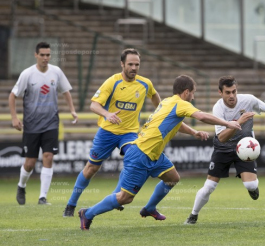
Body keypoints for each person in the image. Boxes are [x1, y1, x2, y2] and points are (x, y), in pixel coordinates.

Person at [77, 75, 242, 230]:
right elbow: (202, 116)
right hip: (141, 153)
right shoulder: (182, 103)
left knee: (172, 178)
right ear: (186, 92)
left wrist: (194, 133)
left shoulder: (168, 102)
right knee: (125, 198)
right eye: (193, 93)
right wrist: (228, 124)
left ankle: (149, 208)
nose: (193, 97)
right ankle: (87, 213)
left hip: (153, 154)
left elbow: (177, 123)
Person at [184, 75, 265, 224]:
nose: (232, 96)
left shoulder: (249, 100)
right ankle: (193, 215)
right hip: (223, 148)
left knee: (251, 185)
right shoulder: (218, 108)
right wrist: (238, 122)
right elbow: (222, 138)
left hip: (245, 147)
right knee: (209, 187)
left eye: (234, 91)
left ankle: (253, 188)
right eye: (228, 92)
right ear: (220, 93)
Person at [63, 48, 161, 217]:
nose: (134, 68)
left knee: (133, 159)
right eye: (130, 64)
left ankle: (116, 197)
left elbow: (154, 96)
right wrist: (107, 114)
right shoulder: (112, 82)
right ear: (122, 64)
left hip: (129, 133)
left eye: (137, 64)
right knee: (91, 168)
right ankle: (71, 204)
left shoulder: (145, 83)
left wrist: (159, 113)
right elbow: (94, 105)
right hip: (107, 132)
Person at [9, 42, 78, 205]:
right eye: (42, 55)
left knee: (48, 157)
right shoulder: (28, 74)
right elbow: (13, 96)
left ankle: (42, 197)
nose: (46, 58)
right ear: (36, 55)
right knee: (30, 162)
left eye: (48, 55)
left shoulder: (56, 72)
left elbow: (66, 91)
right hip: (31, 125)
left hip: (51, 123)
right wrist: (14, 118)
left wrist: (72, 110)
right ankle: (21, 185)